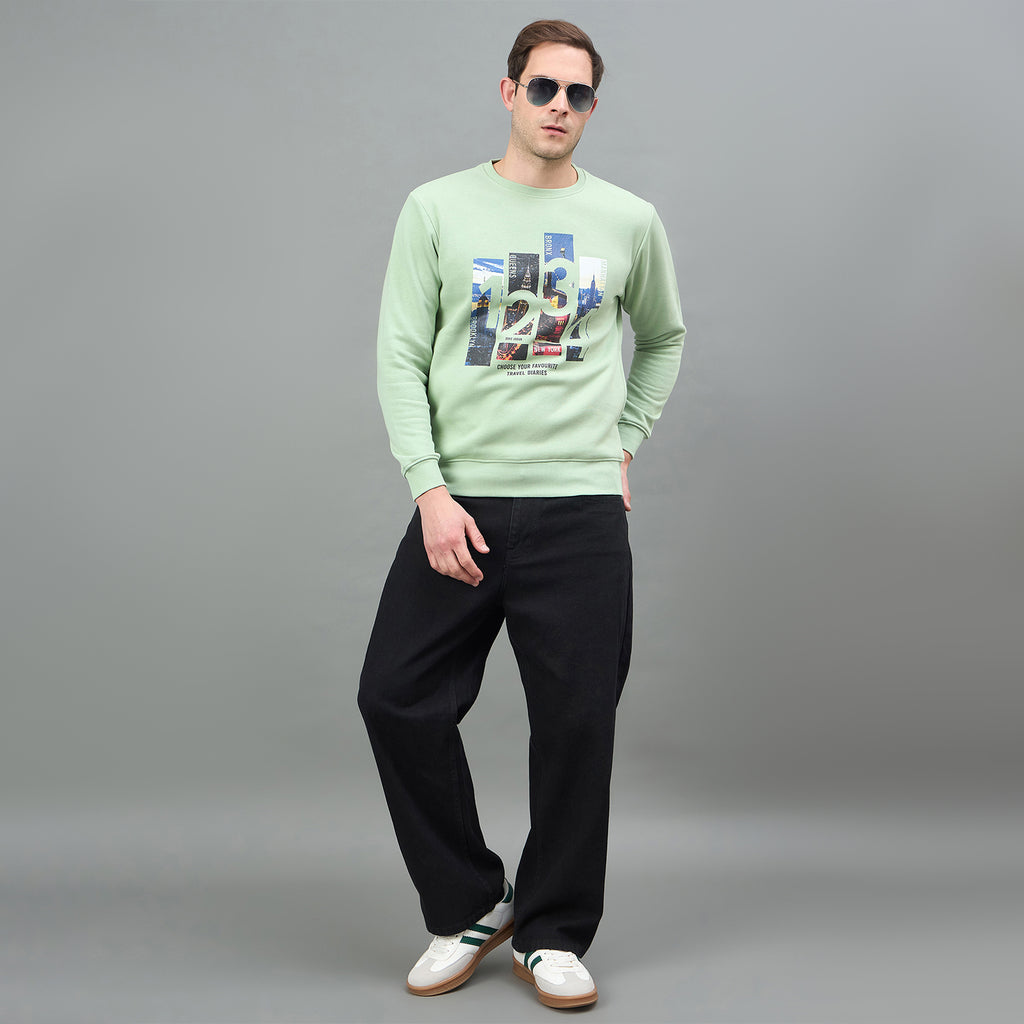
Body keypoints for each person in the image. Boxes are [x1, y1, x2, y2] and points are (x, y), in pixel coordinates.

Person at [357, 19, 685, 1011]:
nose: (558, 107)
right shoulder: (437, 208)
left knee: (577, 726)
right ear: (508, 92)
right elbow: (399, 354)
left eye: (577, 94)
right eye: (542, 87)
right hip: (461, 504)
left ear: (593, 107)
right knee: (396, 697)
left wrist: (624, 441)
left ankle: (552, 932)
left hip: (580, 512)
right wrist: (429, 488)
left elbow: (664, 336)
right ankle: (471, 902)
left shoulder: (629, 220)